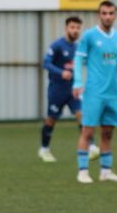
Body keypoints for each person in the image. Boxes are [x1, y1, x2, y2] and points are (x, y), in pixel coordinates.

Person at [72, 0, 117, 184]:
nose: (108, 17)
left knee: (108, 132)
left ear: (115, 15)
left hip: (112, 93)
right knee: (87, 131)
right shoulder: (89, 36)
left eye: (111, 13)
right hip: (94, 92)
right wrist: (77, 83)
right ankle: (83, 172)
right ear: (99, 15)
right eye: (104, 13)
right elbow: (78, 60)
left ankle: (106, 171)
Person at [39, 16, 99, 163]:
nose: (75, 30)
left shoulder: (78, 47)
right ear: (66, 28)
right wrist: (61, 72)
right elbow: (46, 63)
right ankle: (44, 149)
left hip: (73, 90)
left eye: (78, 28)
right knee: (51, 120)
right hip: (57, 90)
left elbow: (84, 61)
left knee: (82, 116)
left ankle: (91, 146)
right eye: (72, 27)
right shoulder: (57, 45)